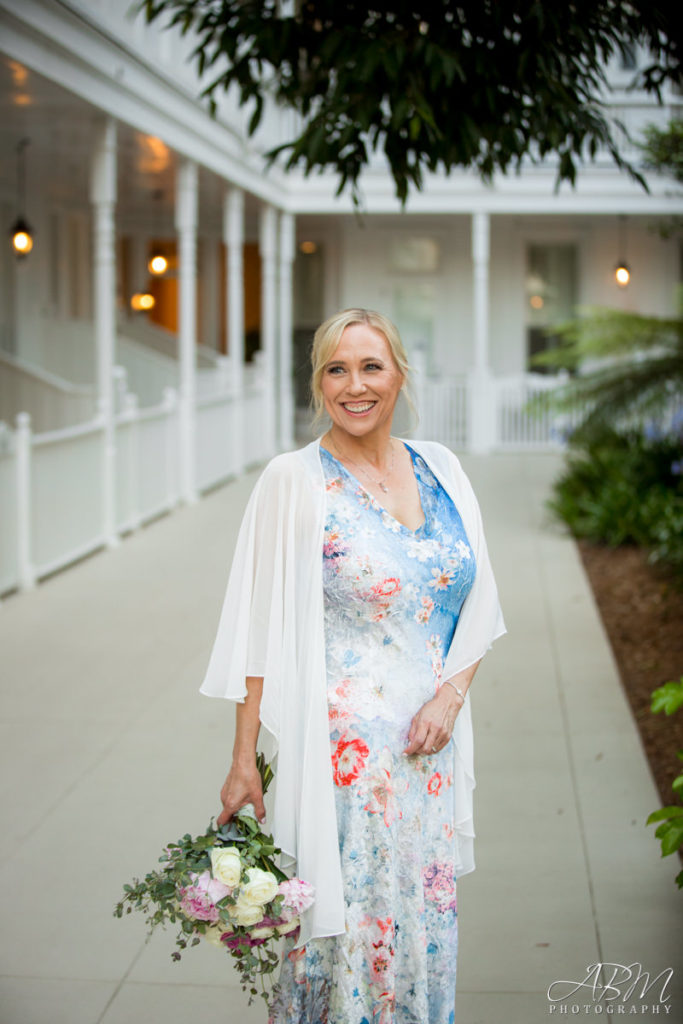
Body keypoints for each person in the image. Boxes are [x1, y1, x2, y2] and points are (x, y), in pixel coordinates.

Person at [200, 308, 505, 1024]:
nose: (354, 385)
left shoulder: (443, 469)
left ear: (398, 374)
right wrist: (244, 758)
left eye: (370, 366)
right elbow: (258, 631)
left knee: (418, 928)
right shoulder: (293, 480)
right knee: (347, 945)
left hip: (426, 754)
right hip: (340, 764)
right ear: (318, 383)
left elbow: (478, 606)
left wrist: (451, 697)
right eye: (336, 369)